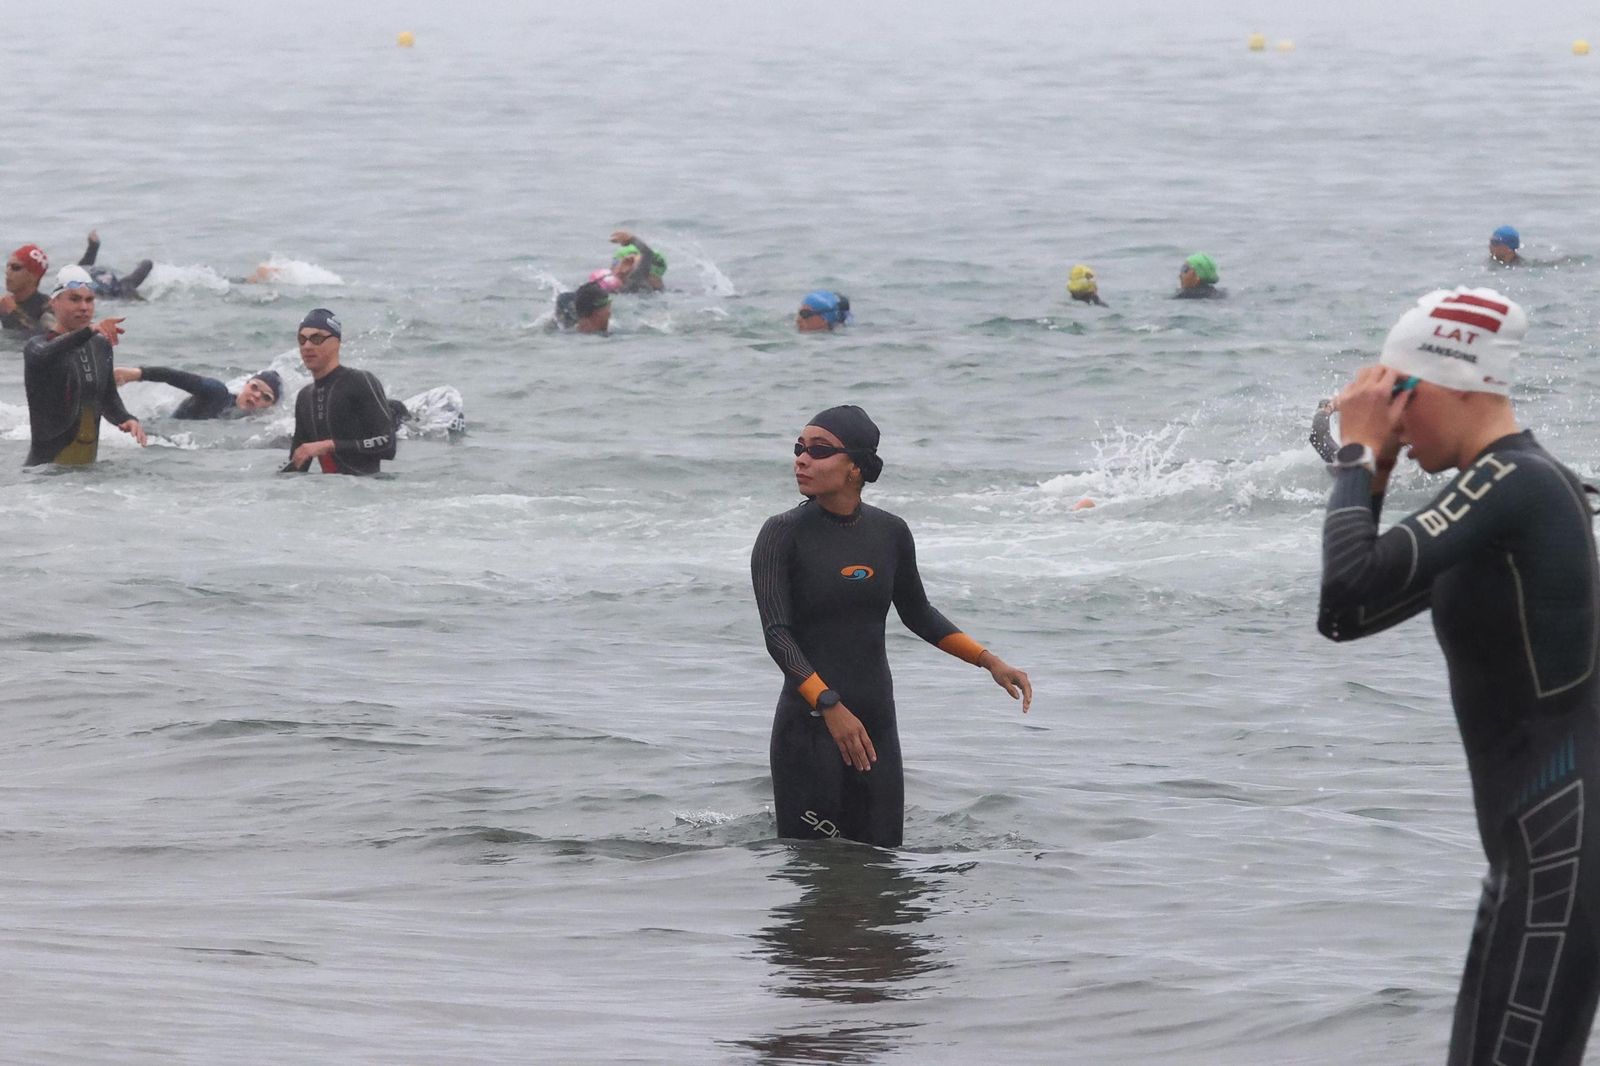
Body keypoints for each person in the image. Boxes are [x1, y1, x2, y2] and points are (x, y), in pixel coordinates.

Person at [1318, 286, 1600, 1066]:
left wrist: (1357, 453)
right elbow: (1347, 613)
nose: (1397, 427)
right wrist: (1368, 470)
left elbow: (1348, 586)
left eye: (1397, 399)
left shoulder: (1517, 484)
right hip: (1531, 856)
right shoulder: (1498, 491)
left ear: (1442, 383)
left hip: (1563, 853)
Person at [751, 405, 1033, 847]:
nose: (802, 459)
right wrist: (829, 706)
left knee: (883, 877)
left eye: (819, 450)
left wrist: (989, 661)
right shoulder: (782, 533)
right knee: (813, 880)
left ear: (855, 468)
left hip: (876, 726)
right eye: (799, 448)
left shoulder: (890, 532)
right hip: (809, 730)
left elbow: (918, 613)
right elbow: (777, 635)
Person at [21, 266, 145, 466]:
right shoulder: (37, 347)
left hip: (85, 484)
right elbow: (50, 352)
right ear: (54, 302)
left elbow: (107, 397)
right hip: (43, 480)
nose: (84, 307)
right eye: (75, 299)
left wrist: (127, 418)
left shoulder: (100, 345)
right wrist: (89, 331)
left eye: (89, 300)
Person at [282, 308, 397, 475]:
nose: (307, 346)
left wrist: (329, 445)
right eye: (302, 339)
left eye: (316, 338)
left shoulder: (360, 381)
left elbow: (387, 445)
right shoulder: (305, 397)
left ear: (336, 342)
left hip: (369, 491)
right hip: (331, 495)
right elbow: (298, 464)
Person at [113, 364, 283, 419]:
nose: (256, 395)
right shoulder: (217, 393)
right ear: (246, 384)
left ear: (270, 406)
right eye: (254, 387)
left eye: (266, 397)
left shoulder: (254, 424)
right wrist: (136, 374)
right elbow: (175, 377)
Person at [78, 230, 153, 299]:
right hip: (115, 288)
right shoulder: (124, 285)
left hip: (112, 289)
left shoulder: (78, 275)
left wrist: (94, 245)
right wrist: (94, 245)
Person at [2, 243, 54, 334]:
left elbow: (49, 339)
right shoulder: (4, 304)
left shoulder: (48, 306)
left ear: (33, 276)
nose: (7, 272)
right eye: (8, 266)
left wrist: (14, 312)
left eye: (15, 268)